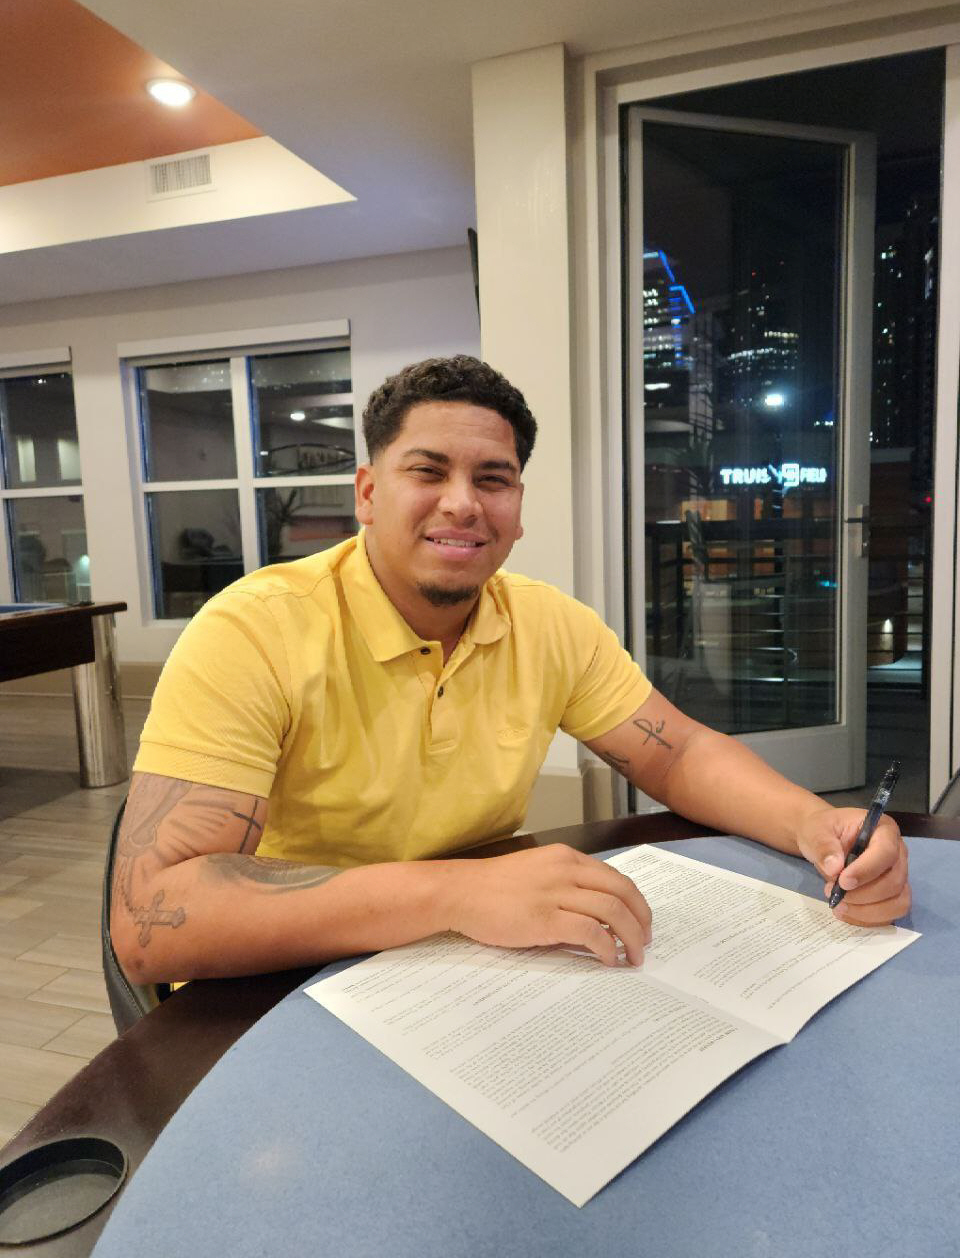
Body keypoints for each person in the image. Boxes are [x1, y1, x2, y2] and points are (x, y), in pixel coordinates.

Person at [112, 355, 911, 986]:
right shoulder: (253, 630)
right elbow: (150, 920)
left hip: (473, 963)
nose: (463, 503)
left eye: (491, 479)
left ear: (518, 507)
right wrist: (456, 893)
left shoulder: (547, 623)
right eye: (428, 472)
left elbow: (677, 753)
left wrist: (814, 824)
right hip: (290, 979)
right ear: (368, 493)